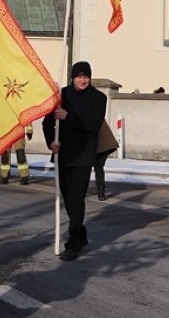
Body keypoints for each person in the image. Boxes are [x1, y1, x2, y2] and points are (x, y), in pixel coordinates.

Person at [43, 61, 107, 261]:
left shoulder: (99, 98)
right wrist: (51, 142)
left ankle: (73, 244)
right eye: (79, 76)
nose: (83, 80)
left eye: (86, 76)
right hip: (63, 154)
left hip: (84, 155)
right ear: (73, 77)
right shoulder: (61, 96)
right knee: (68, 199)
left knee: (76, 199)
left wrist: (68, 116)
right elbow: (47, 123)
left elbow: (93, 125)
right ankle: (80, 232)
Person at [94, 117, 118, 201]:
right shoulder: (97, 113)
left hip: (99, 146)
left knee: (88, 168)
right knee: (99, 168)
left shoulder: (88, 115)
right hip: (106, 146)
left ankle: (100, 192)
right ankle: (101, 193)